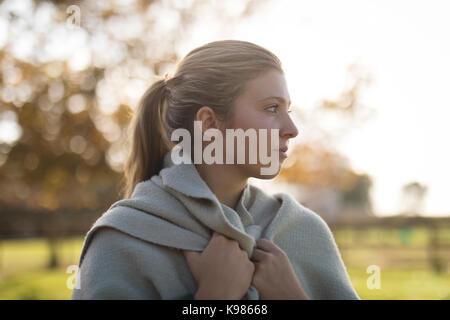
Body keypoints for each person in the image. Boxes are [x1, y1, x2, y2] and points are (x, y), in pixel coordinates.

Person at [71, 40, 360, 300]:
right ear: (209, 124)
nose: (291, 129)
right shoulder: (121, 242)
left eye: (288, 110)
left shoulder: (302, 231)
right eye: (272, 108)